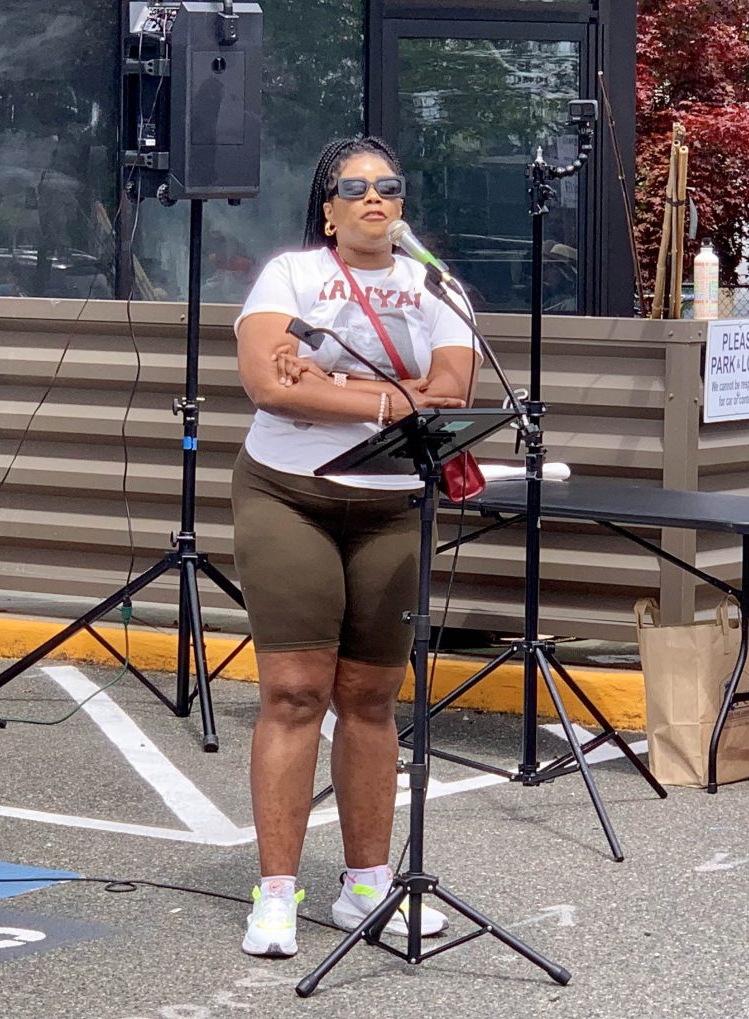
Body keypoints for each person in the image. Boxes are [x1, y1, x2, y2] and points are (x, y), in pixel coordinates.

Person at [232, 136, 481, 958]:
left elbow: (453, 392)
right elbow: (270, 386)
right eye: (355, 188)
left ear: (402, 204)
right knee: (297, 690)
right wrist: (390, 401)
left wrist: (331, 390)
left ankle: (368, 883)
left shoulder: (437, 285)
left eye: (389, 186)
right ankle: (274, 893)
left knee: (372, 697)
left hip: (390, 506)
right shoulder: (291, 275)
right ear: (330, 210)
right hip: (288, 494)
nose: (374, 198)